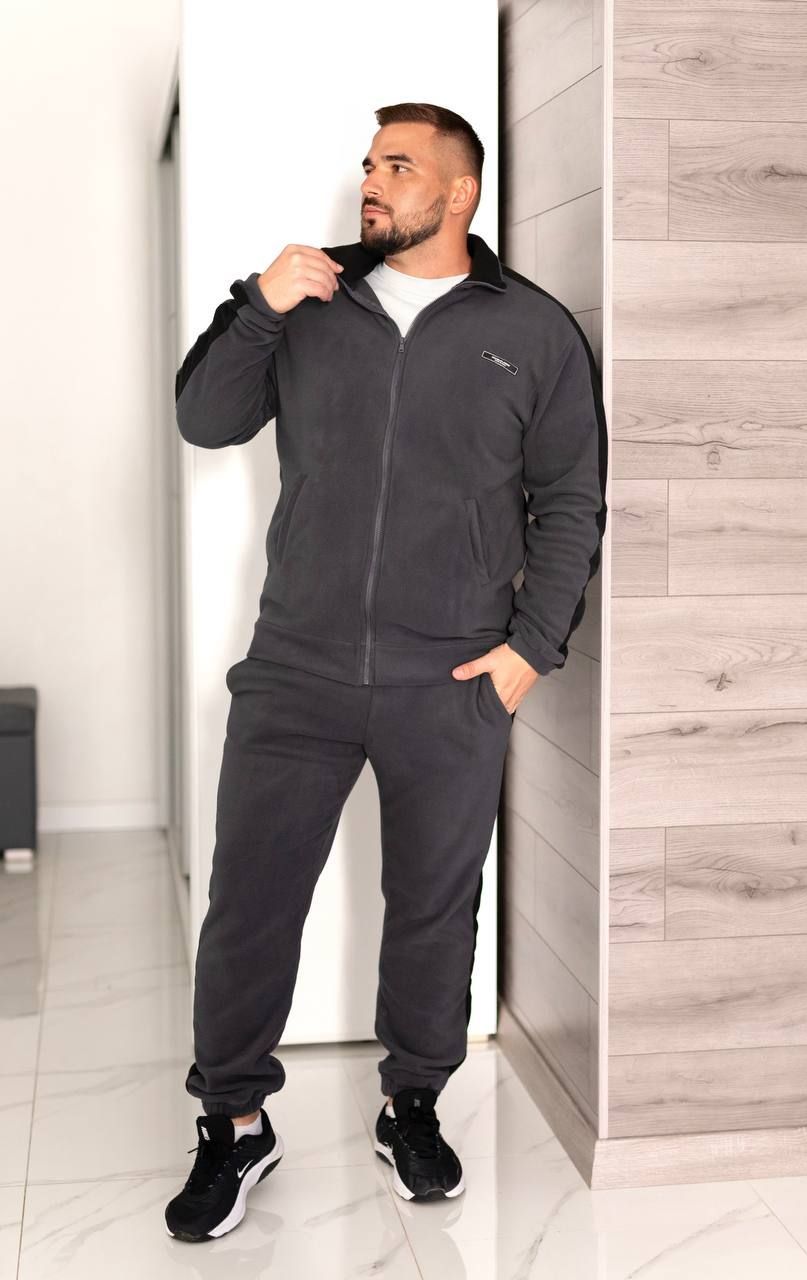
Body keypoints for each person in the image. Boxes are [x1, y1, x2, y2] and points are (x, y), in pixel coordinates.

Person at [164, 100, 608, 1243]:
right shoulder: (305, 303)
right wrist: (258, 307)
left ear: (458, 193)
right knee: (251, 902)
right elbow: (205, 420)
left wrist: (530, 648)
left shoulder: (532, 330)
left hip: (449, 677)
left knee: (433, 908)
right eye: (369, 162)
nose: (372, 180)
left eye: (398, 165)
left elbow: (568, 499)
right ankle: (233, 1121)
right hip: (296, 665)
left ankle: (411, 1101)